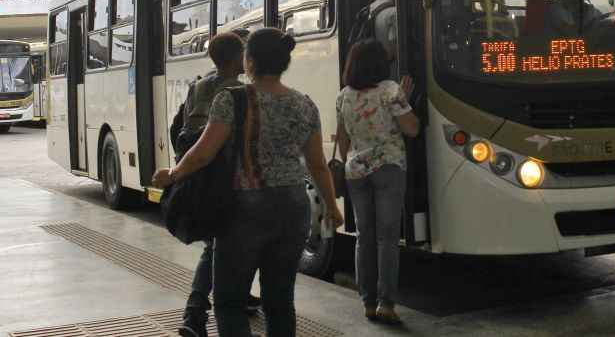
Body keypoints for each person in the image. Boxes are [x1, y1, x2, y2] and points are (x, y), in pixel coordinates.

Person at [153, 27, 343, 337]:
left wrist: (172, 175)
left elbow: (202, 153)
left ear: (249, 61)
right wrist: (332, 207)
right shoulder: (304, 103)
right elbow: (317, 165)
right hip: (294, 207)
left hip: (247, 207)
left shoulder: (231, 99)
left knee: (229, 301)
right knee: (280, 302)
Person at [174, 31, 260, 337]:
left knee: (221, 244)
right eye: (243, 52)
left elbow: (182, 129)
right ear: (238, 58)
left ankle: (222, 302)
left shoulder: (197, 86)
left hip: (202, 178)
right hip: (230, 179)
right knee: (219, 246)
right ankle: (195, 312)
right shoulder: (242, 92)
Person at [335, 39, 420, 325]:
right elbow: (412, 128)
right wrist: (404, 99)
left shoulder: (343, 96)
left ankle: (367, 302)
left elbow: (344, 141)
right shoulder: (391, 91)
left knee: (364, 236)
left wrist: (359, 158)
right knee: (387, 239)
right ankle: (386, 303)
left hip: (356, 171)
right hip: (388, 168)